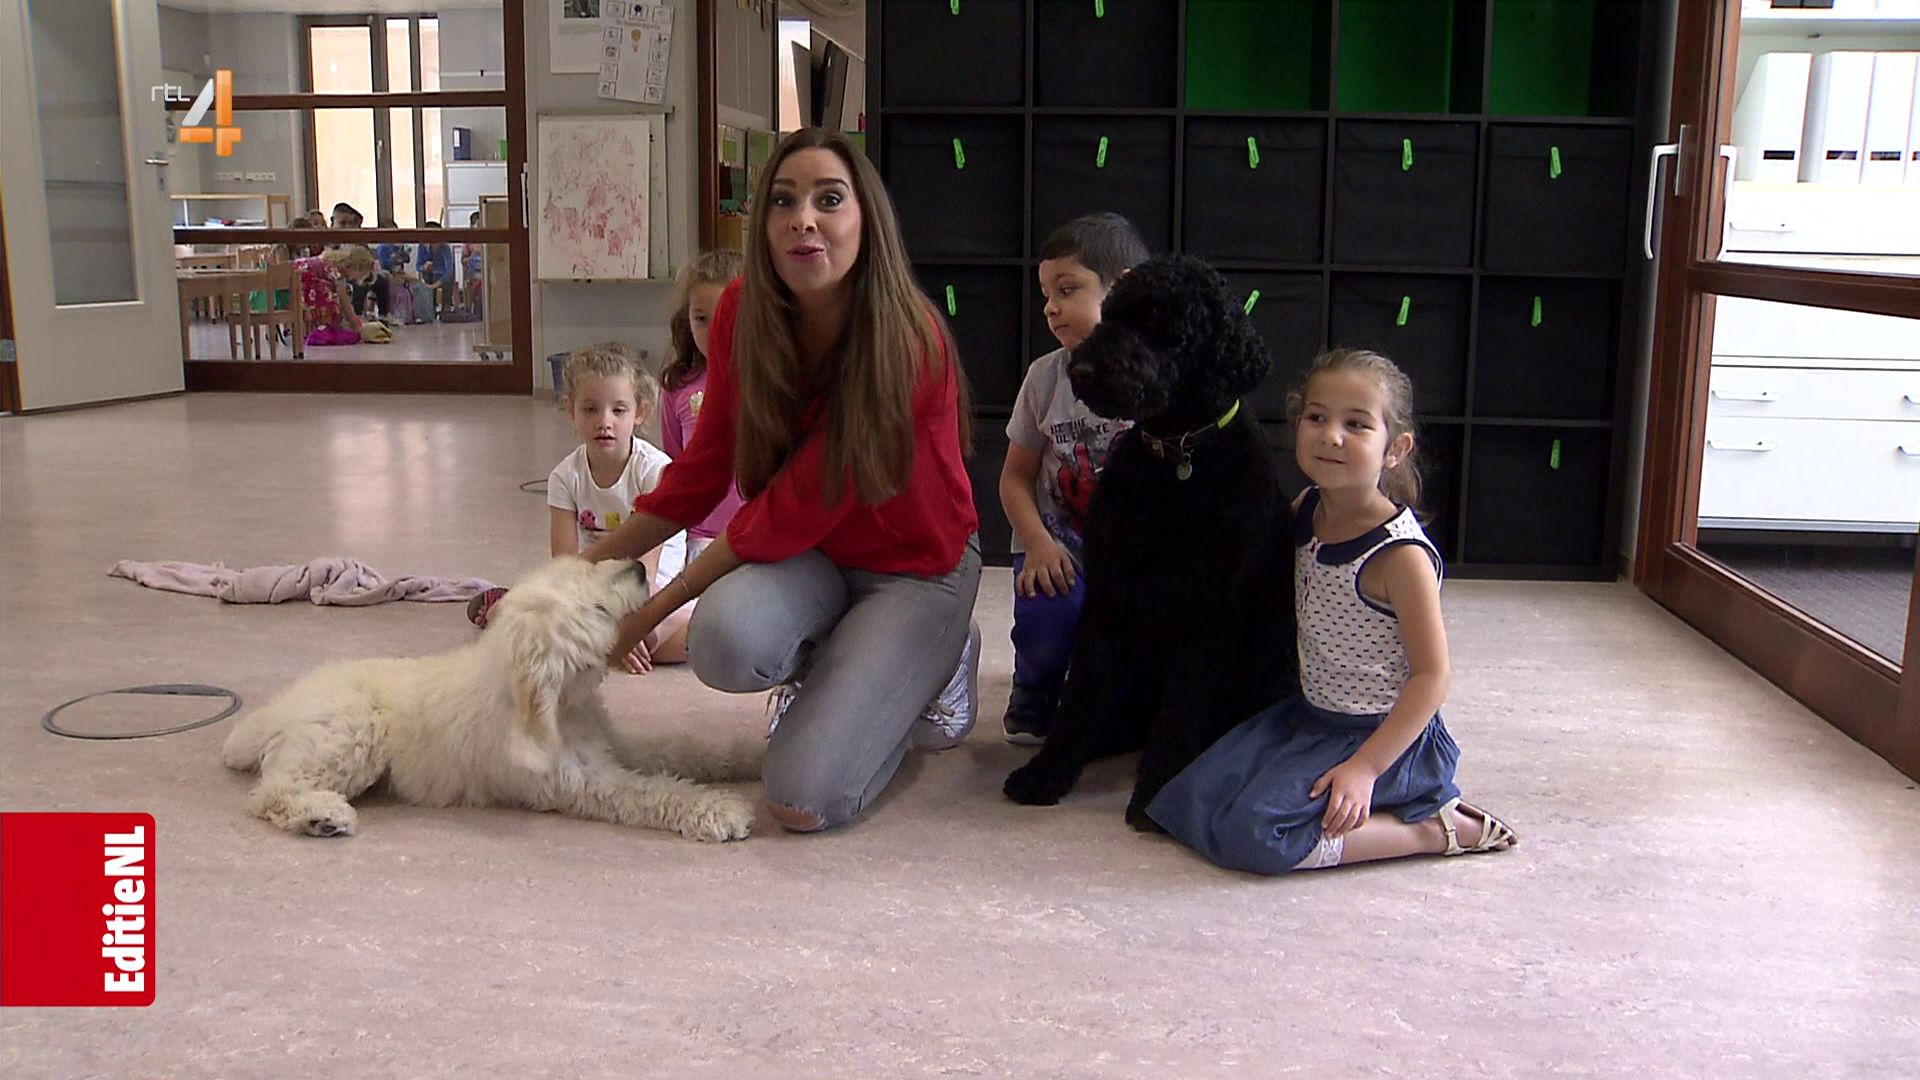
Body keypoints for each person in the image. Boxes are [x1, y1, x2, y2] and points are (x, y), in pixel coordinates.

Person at [577, 127, 983, 834]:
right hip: (816, 556)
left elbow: (791, 507)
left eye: (829, 200)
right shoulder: (741, 312)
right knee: (722, 641)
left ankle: (940, 659)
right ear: (762, 224)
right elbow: (701, 472)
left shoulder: (908, 339)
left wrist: (646, 614)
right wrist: (576, 574)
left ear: (866, 219)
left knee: (802, 800)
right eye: (784, 201)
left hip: (916, 568)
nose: (804, 220)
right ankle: (850, 672)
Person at [1145, 349, 1518, 873]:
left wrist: (1365, 768)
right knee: (1187, 801)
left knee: (1255, 837)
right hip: (1311, 717)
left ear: (1396, 449)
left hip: (1382, 737)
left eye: (1357, 424)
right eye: (1316, 417)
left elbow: (1432, 677)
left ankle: (1434, 828)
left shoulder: (1400, 556)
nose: (1331, 436)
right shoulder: (1308, 509)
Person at [997, 212, 1147, 745]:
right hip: (1058, 540)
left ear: (1122, 289)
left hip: (1136, 548)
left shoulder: (1160, 373)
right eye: (1046, 294)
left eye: (1067, 290)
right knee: (1050, 616)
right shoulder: (1044, 378)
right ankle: (1035, 689)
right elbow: (1014, 478)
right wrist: (1037, 542)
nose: (1050, 307)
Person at [657, 250, 748, 566]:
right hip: (698, 536)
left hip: (753, 532)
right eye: (701, 318)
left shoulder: (772, 383)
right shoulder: (678, 387)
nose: (714, 330)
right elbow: (674, 462)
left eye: (727, 316)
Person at [295, 246, 375, 346]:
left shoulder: (331, 260)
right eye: (362, 275)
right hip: (300, 280)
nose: (359, 279)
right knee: (328, 297)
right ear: (357, 268)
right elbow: (343, 299)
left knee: (328, 290)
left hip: (293, 273)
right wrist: (355, 324)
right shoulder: (337, 270)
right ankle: (322, 329)